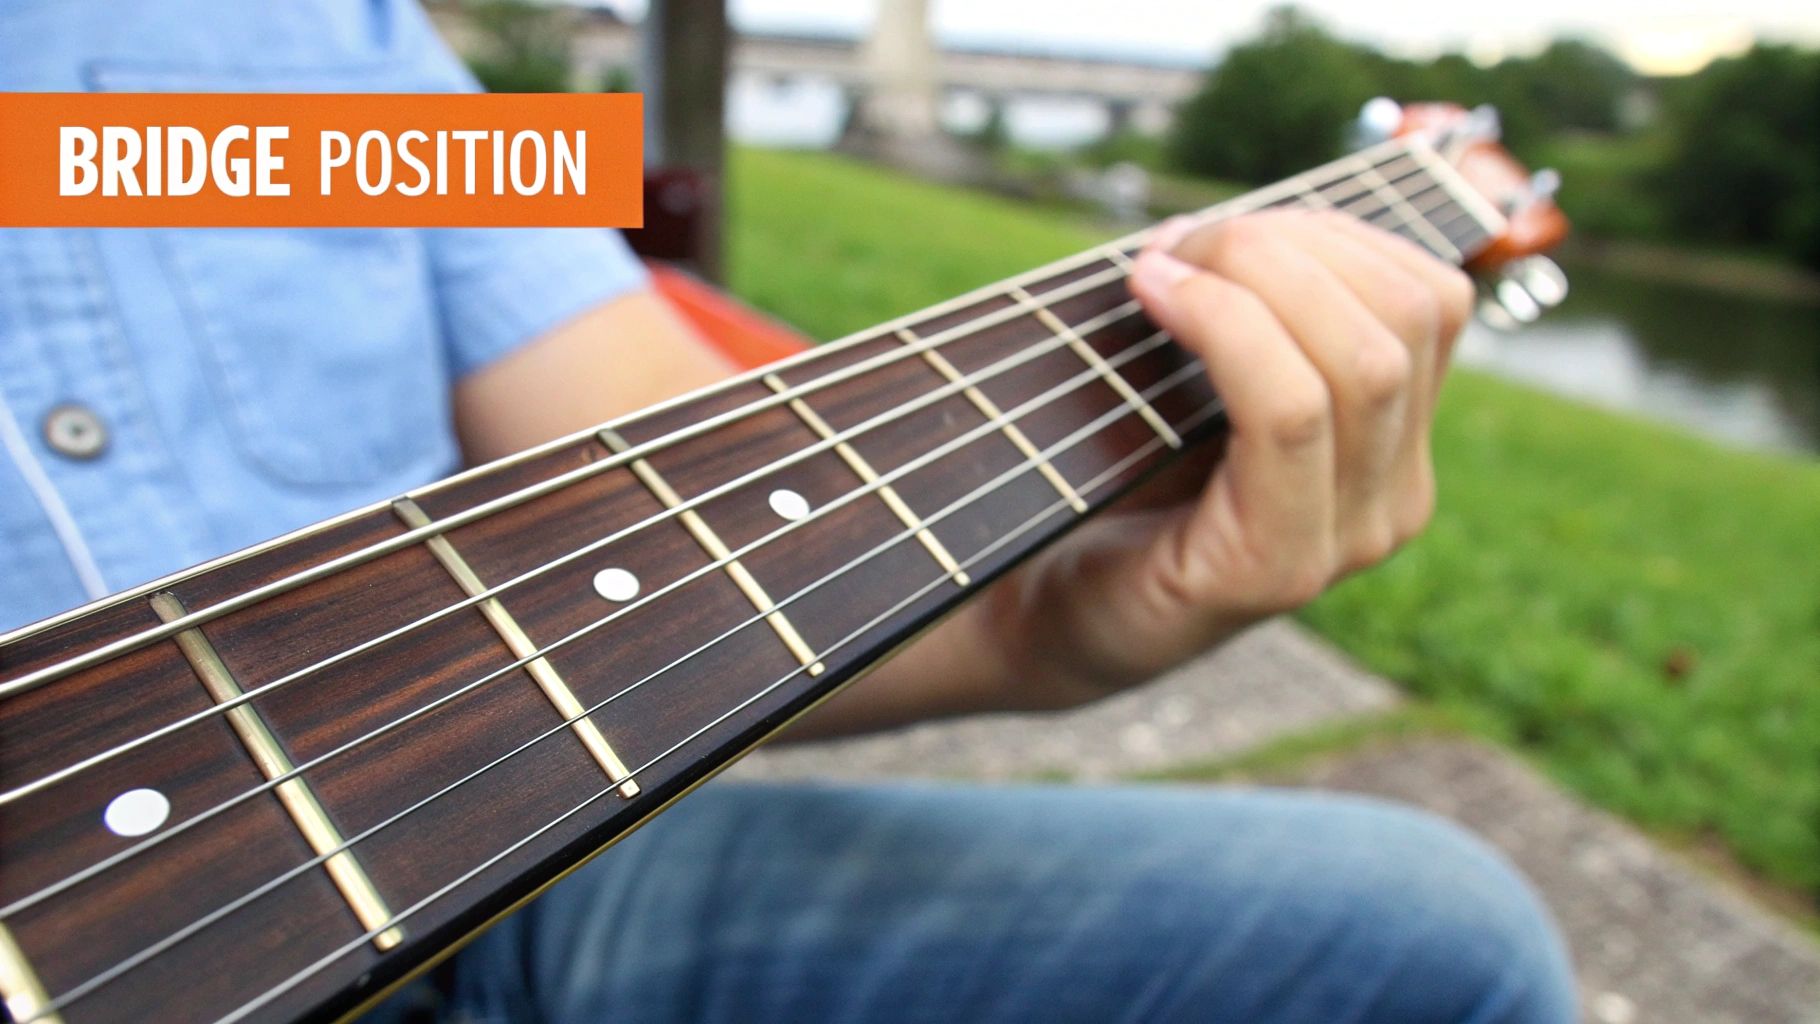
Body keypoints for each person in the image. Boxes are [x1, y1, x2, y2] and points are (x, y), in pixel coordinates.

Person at [0, 1, 1576, 1021]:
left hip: (480, 862)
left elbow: (652, 521)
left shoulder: (336, 30)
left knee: (1434, 939)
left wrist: (1049, 624)